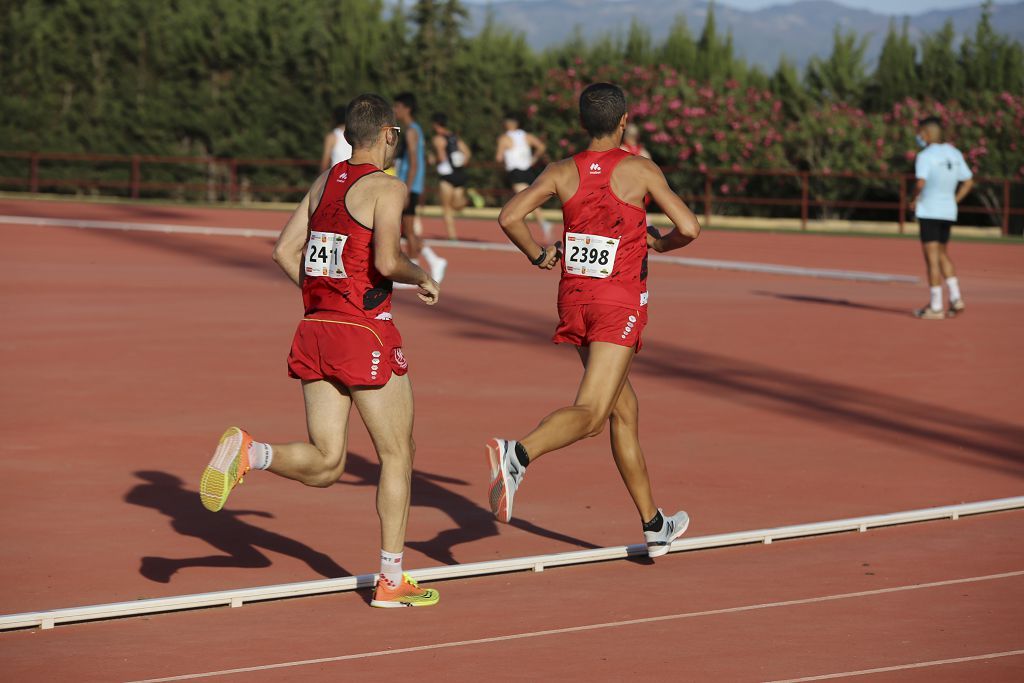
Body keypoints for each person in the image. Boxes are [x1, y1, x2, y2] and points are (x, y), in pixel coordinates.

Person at [199, 93, 441, 608]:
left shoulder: (324, 181)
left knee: (329, 463)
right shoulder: (387, 188)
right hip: (365, 332)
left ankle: (251, 452)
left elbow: (285, 251)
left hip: (315, 329)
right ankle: (391, 579)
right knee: (399, 454)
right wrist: (422, 276)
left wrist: (322, 297)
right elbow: (388, 259)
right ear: (388, 135)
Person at [486, 83, 702, 558]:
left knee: (625, 410)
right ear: (623, 120)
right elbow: (689, 227)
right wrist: (659, 244)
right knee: (590, 416)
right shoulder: (641, 170)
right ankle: (517, 455)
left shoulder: (561, 171)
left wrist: (537, 254)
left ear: (584, 123)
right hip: (617, 305)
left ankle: (654, 524)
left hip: (575, 300)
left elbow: (509, 216)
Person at [910, 116, 974, 319]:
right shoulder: (954, 152)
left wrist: (912, 198)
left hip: (930, 210)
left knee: (932, 258)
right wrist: (954, 200)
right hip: (947, 211)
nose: (918, 136)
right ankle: (956, 298)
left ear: (927, 134)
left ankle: (936, 306)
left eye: (920, 133)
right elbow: (968, 181)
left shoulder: (925, 155)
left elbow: (920, 183)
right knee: (942, 254)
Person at [393, 92, 447, 284]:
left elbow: (414, 162)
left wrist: (406, 188)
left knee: (406, 230)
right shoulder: (415, 130)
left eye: (397, 106)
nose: (394, 110)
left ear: (407, 108)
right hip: (412, 185)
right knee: (406, 230)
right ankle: (432, 261)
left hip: (408, 186)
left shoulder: (411, 131)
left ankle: (415, 271)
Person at [496, 113, 553, 242]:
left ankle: (540, 224)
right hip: (527, 171)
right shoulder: (526, 136)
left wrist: (503, 161)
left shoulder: (504, 138)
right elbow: (541, 147)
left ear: (507, 124)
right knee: (525, 199)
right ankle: (540, 224)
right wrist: (534, 158)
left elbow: (499, 157)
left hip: (516, 171)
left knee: (524, 201)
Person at [431, 113, 472, 241]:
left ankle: (452, 236)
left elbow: (441, 157)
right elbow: (467, 153)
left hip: (446, 175)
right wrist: (461, 162)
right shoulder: (455, 137)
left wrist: (432, 159)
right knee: (457, 205)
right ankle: (468, 200)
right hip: (459, 173)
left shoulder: (437, 139)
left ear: (436, 124)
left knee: (447, 207)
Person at [320, 104, 353, 171]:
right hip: (354, 176)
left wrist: (321, 178)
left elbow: (325, 162)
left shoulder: (332, 137)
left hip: (337, 177)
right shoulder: (355, 135)